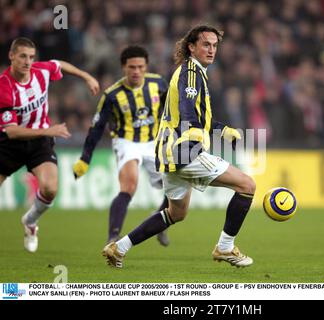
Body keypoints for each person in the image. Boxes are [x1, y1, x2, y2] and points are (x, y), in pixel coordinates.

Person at [102, 25, 256, 268]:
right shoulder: (191, 73)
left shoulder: (192, 72)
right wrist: (192, 137)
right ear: (191, 47)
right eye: (206, 44)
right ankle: (225, 247)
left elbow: (198, 116)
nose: (211, 50)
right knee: (247, 185)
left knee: (176, 213)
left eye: (215, 45)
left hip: (168, 152)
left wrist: (223, 131)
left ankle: (118, 248)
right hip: (185, 150)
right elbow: (187, 107)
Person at [0, 37, 99, 253]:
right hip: (9, 144)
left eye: (31, 57)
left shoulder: (41, 71)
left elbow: (60, 64)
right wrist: (48, 130)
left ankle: (30, 221)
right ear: (11, 56)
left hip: (39, 144)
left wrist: (86, 76)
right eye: (23, 56)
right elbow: (12, 131)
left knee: (50, 189)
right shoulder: (4, 87)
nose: (27, 61)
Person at [72, 45, 170, 246]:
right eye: (132, 67)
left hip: (154, 142)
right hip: (127, 143)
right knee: (129, 185)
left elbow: (172, 111)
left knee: (178, 187)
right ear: (123, 67)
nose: (136, 71)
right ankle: (113, 238)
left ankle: (159, 221)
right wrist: (85, 159)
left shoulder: (158, 84)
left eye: (140, 67)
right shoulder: (112, 95)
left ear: (146, 67)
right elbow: (96, 128)